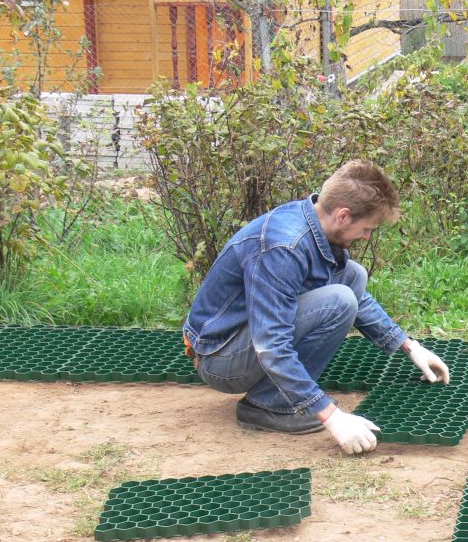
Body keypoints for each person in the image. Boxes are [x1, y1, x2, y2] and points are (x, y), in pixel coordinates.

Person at [182, 161, 450, 455]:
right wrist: (330, 416)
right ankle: (267, 406)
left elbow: (356, 294)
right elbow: (272, 345)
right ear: (343, 216)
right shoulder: (283, 247)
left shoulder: (313, 220)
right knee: (339, 300)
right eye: (367, 229)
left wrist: (408, 346)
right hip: (221, 358)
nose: (367, 237)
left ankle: (279, 397)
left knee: (353, 276)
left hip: (241, 340)